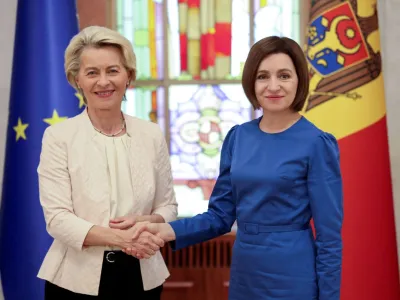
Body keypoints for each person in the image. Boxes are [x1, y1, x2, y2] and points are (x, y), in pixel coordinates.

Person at [129, 36, 343, 300]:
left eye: (284, 76)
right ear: (252, 82)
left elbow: (329, 238)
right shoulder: (238, 137)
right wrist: (167, 230)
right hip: (245, 271)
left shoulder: (317, 143)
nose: (273, 86)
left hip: (293, 273)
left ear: (299, 80)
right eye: (263, 76)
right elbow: (220, 216)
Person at [37, 25, 178, 299]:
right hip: (74, 281)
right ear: (76, 79)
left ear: (129, 76)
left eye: (113, 70)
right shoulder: (58, 137)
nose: (103, 82)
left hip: (143, 276)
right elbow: (57, 218)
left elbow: (168, 206)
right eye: (92, 73)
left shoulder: (150, 134)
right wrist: (124, 239)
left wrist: (148, 222)